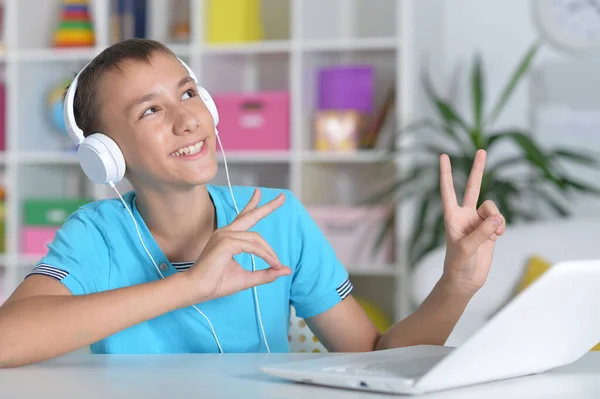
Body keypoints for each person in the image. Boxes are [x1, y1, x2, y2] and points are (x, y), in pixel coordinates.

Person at [0, 39, 505, 368]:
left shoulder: (278, 216)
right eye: (151, 110)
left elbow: (374, 357)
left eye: (190, 94)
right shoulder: (96, 234)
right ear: (105, 156)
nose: (188, 120)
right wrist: (189, 286)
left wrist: (457, 285)